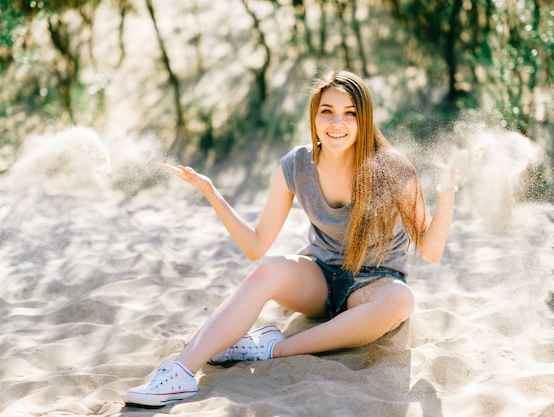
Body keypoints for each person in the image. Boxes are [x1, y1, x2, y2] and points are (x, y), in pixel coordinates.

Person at [123, 70, 456, 407]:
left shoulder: (393, 169)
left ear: (364, 119)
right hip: (320, 278)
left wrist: (448, 189)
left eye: (350, 113)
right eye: (327, 110)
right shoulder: (296, 165)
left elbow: (429, 250)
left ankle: (273, 347)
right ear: (314, 116)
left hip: (375, 286)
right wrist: (210, 192)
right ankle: (180, 371)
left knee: (401, 301)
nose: (336, 121)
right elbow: (256, 245)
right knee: (268, 269)